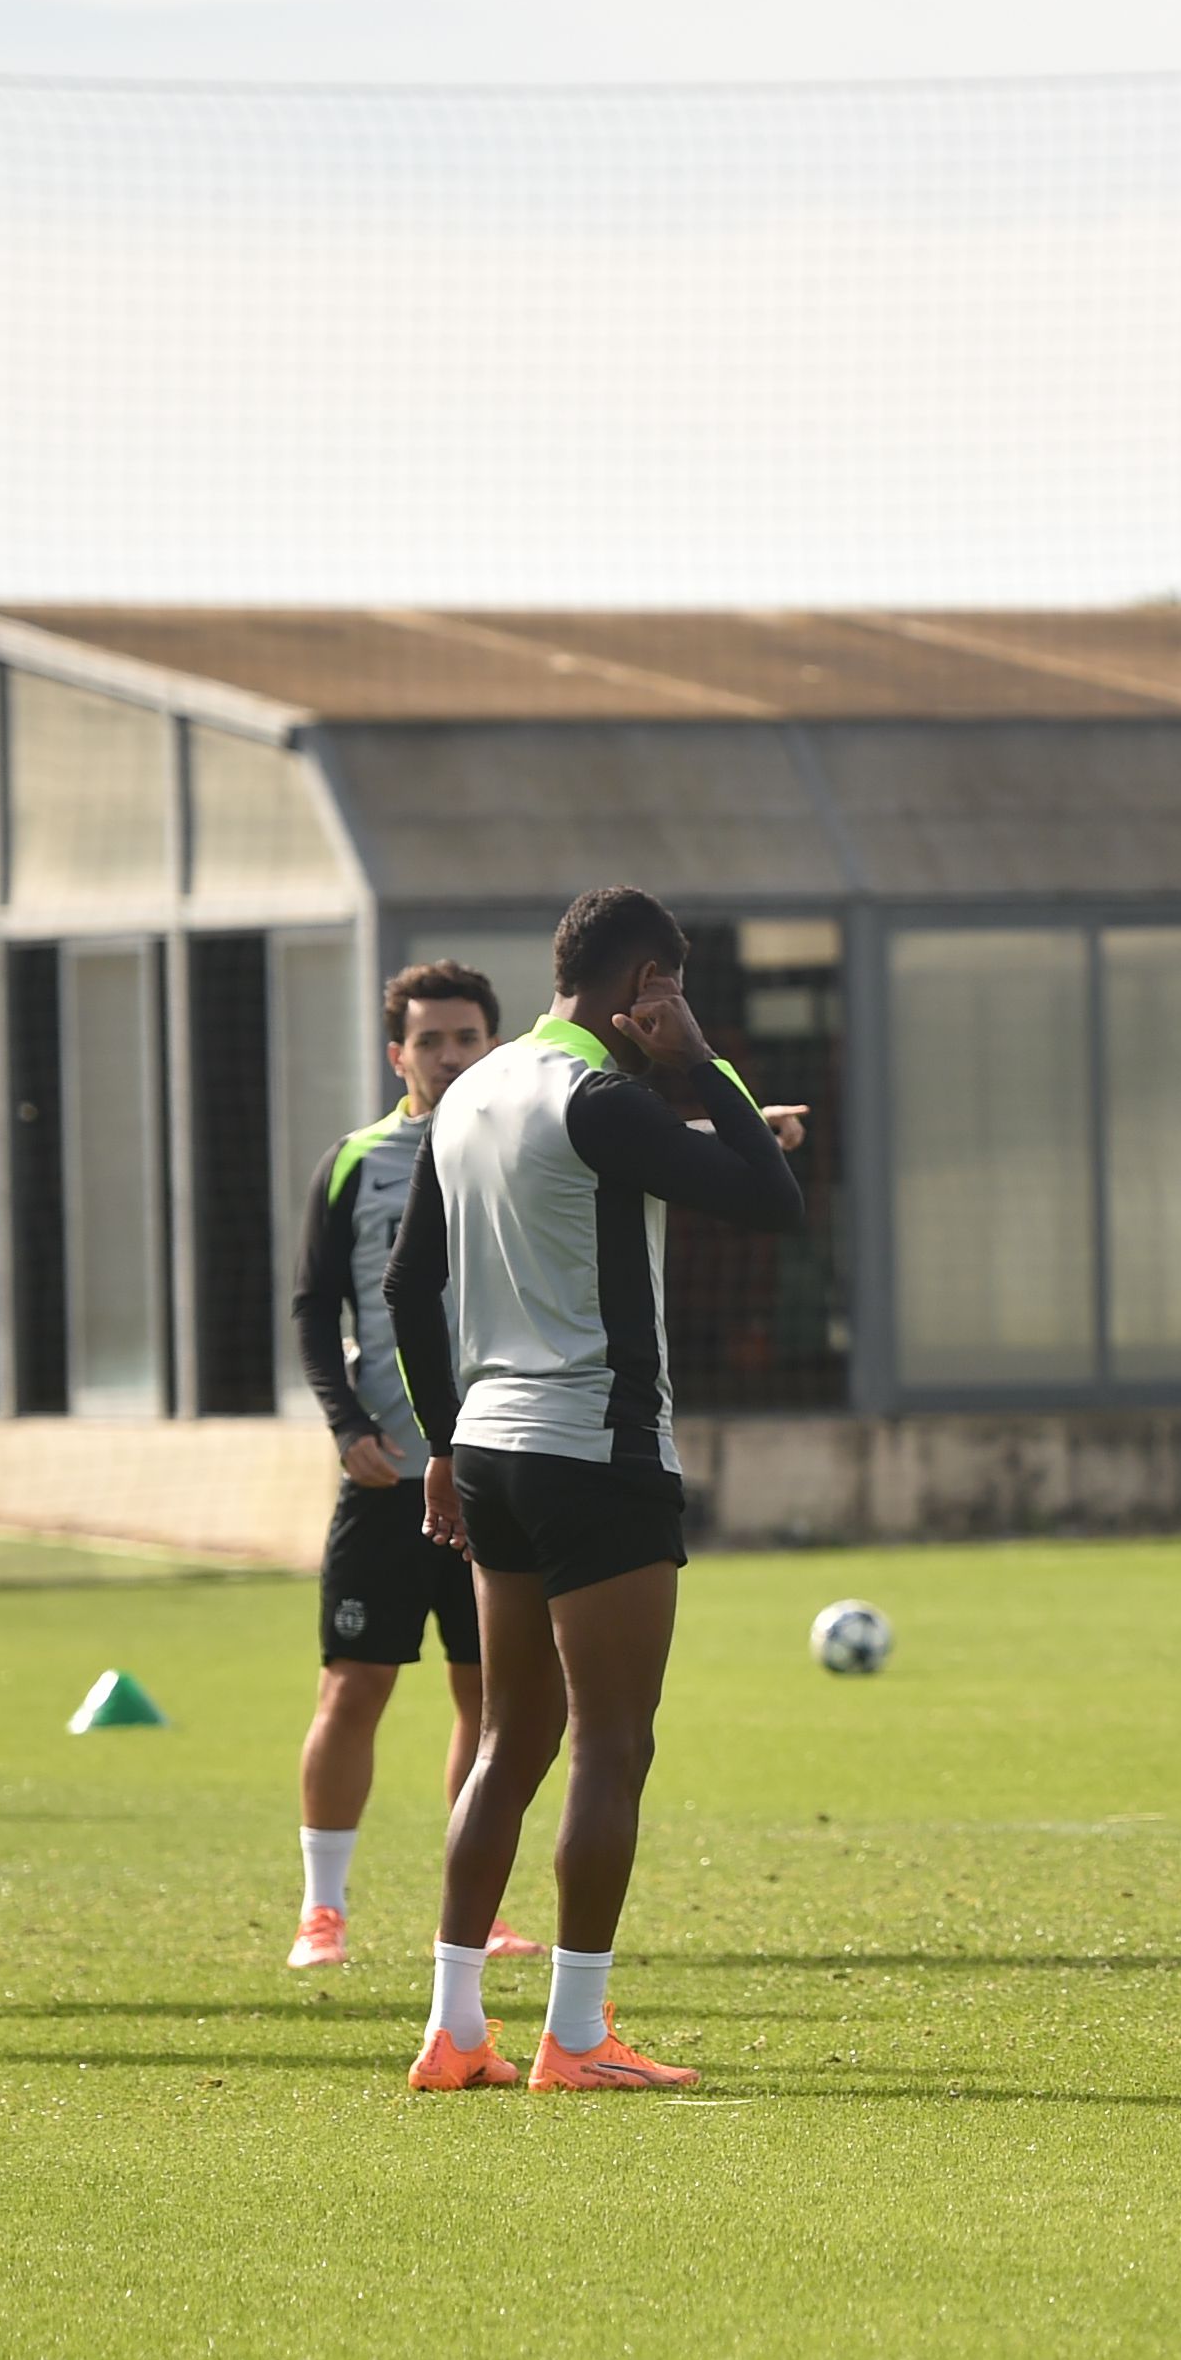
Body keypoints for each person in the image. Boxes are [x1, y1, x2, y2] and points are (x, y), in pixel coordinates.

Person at [385, 886, 806, 2092]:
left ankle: (454, 2028)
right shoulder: (601, 1096)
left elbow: (409, 1286)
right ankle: (575, 2037)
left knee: (507, 1741)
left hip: (492, 1454)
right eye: (673, 991)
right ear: (645, 988)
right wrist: (706, 1063)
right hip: (597, 1450)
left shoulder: (471, 1091)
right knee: (611, 1743)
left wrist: (442, 1442)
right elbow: (770, 1203)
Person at [283, 959, 515, 1972]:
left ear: (494, 1046)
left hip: (496, 1474)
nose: (450, 1055)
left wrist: (735, 1124)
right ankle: (321, 1911)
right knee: (352, 1688)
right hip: (387, 1477)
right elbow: (311, 1305)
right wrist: (346, 1425)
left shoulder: (525, 1146)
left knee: (491, 1701)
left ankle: (480, 1913)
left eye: (467, 1038)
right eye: (431, 1040)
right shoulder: (355, 1163)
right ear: (397, 1055)